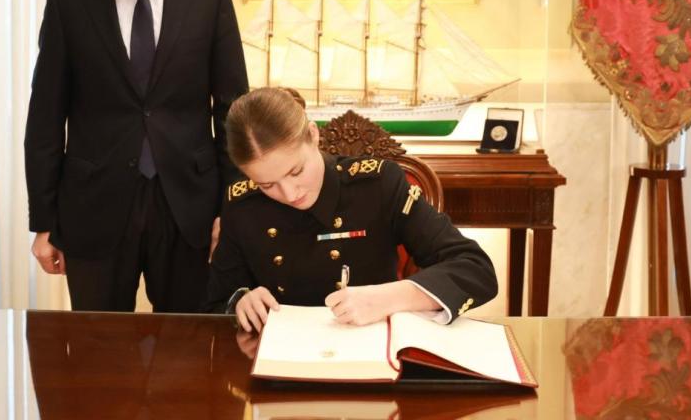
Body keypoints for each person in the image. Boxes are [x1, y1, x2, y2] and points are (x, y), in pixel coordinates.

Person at [25, 0, 248, 313]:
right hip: (94, 207)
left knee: (189, 355)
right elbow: (46, 117)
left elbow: (232, 112)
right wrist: (44, 221)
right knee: (98, 354)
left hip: (191, 206)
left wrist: (233, 206)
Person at [206, 88, 496, 332]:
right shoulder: (242, 205)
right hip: (280, 362)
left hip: (374, 355)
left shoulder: (378, 186)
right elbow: (216, 301)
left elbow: (475, 269)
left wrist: (391, 297)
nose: (290, 193)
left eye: (296, 171)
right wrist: (240, 301)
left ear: (312, 135)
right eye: (267, 184)